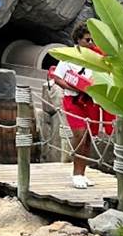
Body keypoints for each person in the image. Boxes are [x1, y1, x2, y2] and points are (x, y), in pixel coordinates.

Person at [49, 22, 115, 189]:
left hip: (91, 102)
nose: (91, 43)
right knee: (80, 134)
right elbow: (57, 78)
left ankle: (82, 173)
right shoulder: (69, 56)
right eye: (87, 40)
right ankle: (76, 174)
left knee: (88, 139)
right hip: (74, 101)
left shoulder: (98, 57)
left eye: (93, 40)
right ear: (78, 40)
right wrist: (76, 88)